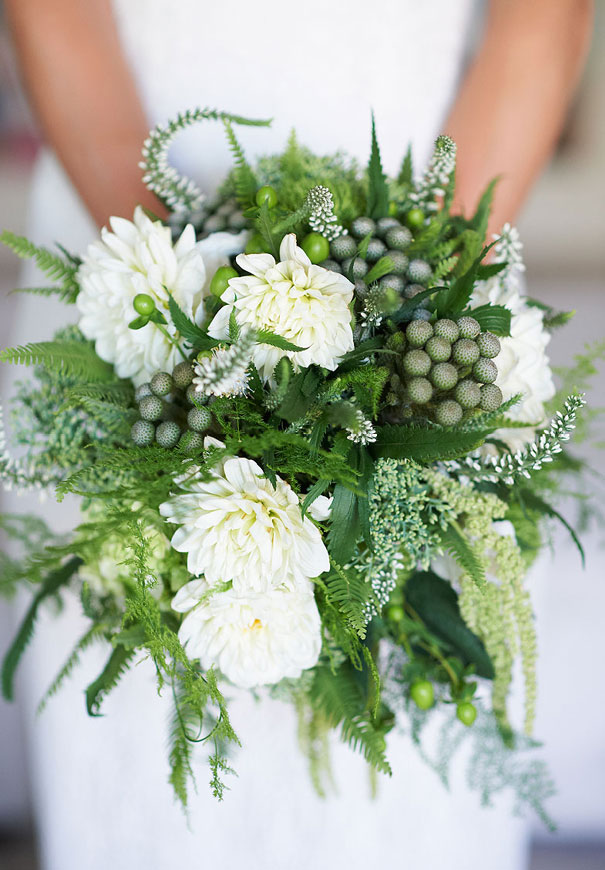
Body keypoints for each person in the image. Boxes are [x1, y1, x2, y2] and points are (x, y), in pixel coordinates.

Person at [2, 2, 593, 869]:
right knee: (147, 731)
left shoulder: (426, 326)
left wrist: (412, 312)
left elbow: (542, 19)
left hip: (430, 221)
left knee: (404, 766)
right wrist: (179, 304)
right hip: (118, 236)